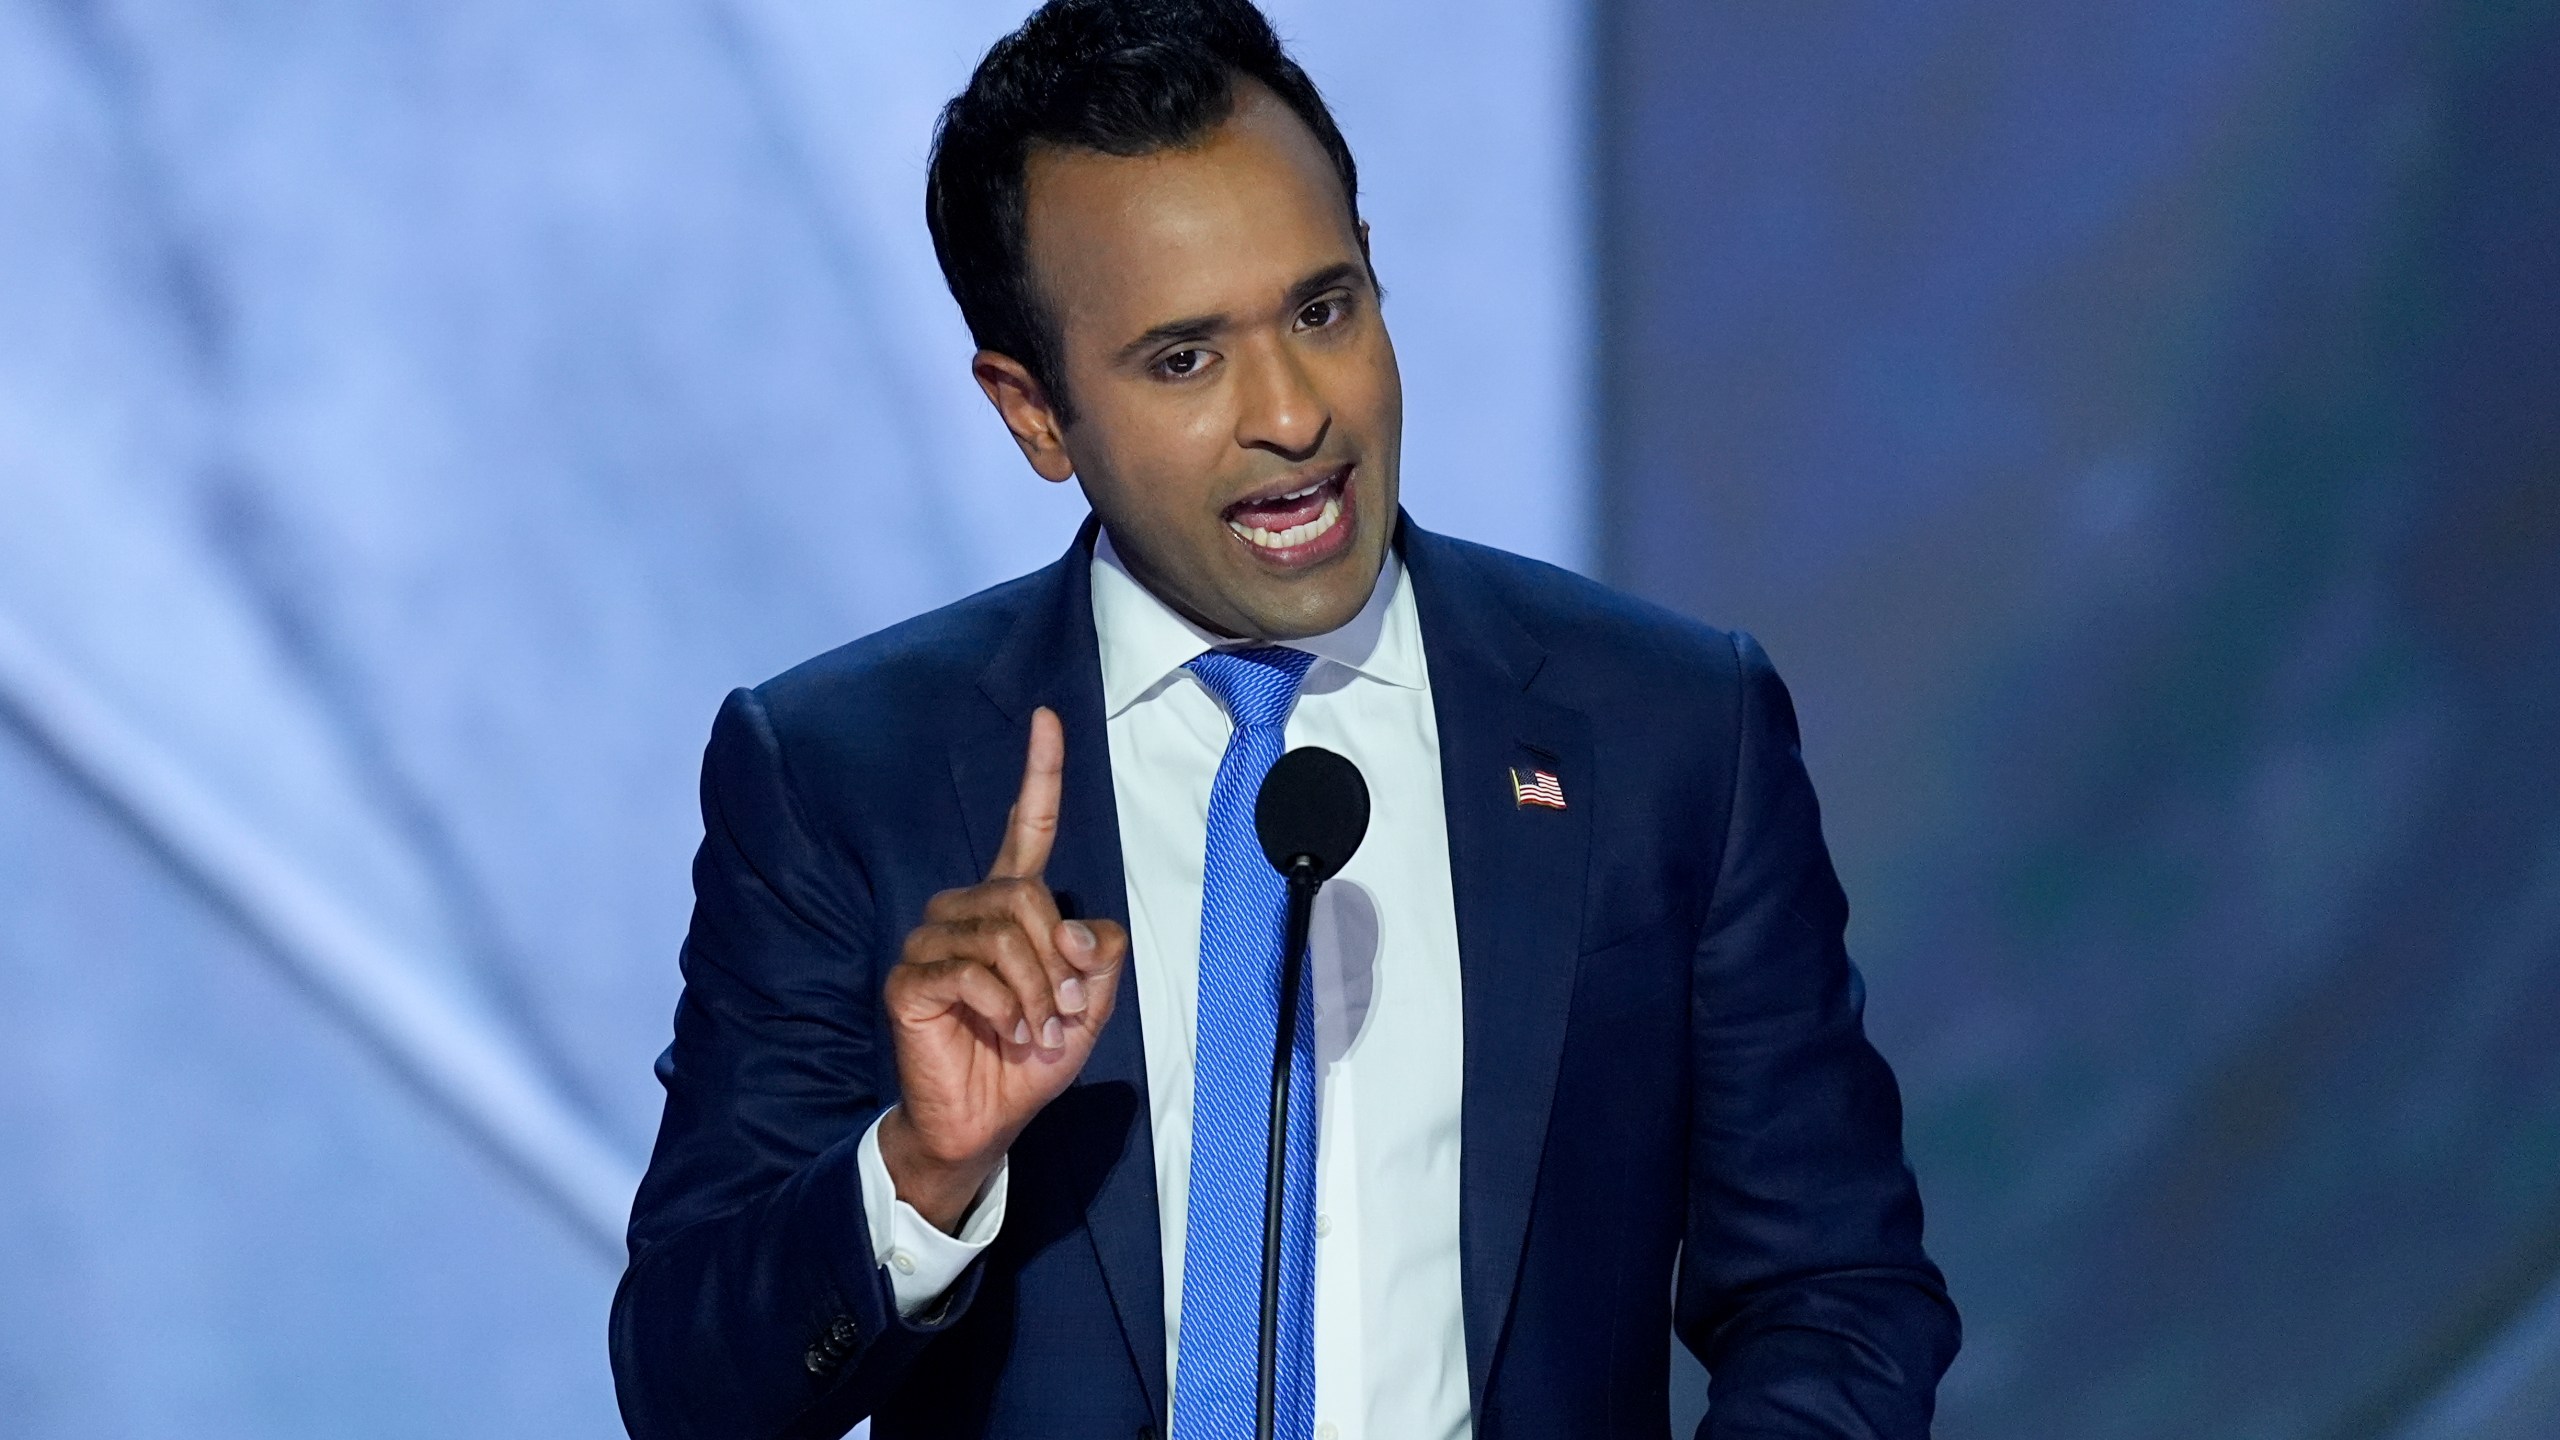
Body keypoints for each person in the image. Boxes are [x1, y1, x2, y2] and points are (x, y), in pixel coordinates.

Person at [608, 1, 1958, 1436]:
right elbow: (693, 1395)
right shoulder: (839, 774)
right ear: (1034, 413)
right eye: (1185, 359)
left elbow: (1836, 1295)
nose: (1295, 414)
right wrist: (920, 1171)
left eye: (1324, 311)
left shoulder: (1666, 730)